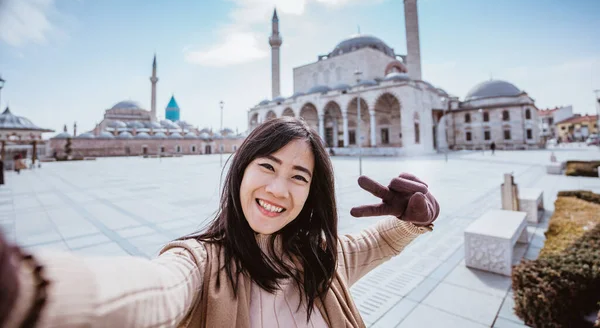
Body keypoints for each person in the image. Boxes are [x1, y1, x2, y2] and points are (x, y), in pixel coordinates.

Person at [0, 117, 439, 327]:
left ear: (311, 194)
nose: (278, 190)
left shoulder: (320, 258)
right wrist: (32, 289)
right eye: (267, 167)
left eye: (298, 176)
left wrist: (412, 218)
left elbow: (378, 241)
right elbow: (152, 291)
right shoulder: (201, 265)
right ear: (240, 170)